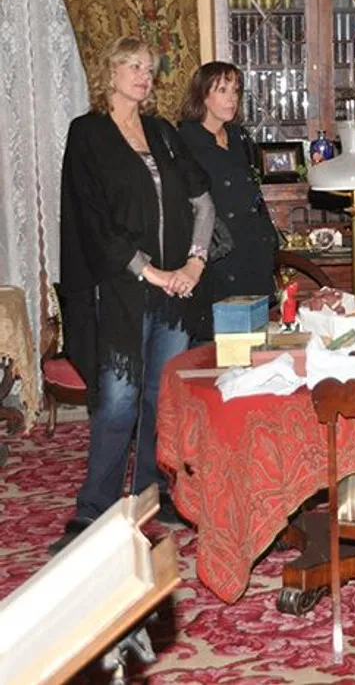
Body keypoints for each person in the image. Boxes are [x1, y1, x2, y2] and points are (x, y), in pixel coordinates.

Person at [52, 36, 215, 553]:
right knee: (119, 401)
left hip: (176, 288)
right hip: (121, 287)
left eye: (150, 68)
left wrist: (194, 261)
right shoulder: (89, 133)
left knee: (158, 396)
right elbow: (93, 221)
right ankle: (92, 509)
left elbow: (202, 199)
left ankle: (151, 490)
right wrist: (152, 272)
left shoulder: (163, 132)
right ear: (110, 72)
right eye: (133, 66)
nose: (145, 75)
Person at [176, 62, 278, 341]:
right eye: (222, 90)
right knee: (217, 344)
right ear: (202, 96)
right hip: (218, 253)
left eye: (235, 90)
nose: (232, 98)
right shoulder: (185, 140)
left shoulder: (238, 136)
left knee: (256, 344)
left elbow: (253, 193)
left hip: (253, 250)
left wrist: (270, 237)